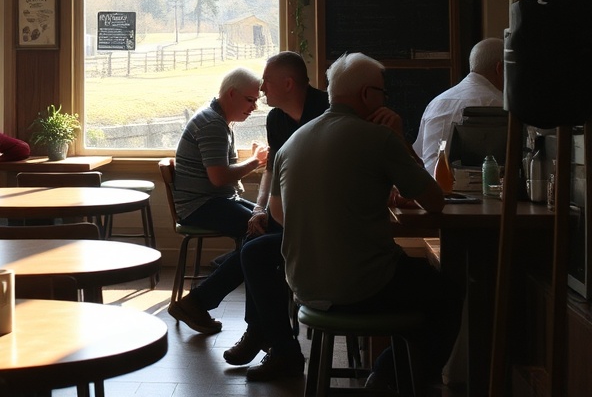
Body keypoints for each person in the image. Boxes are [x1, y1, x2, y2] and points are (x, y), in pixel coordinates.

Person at [271, 52, 462, 389]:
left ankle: (391, 373)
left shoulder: (291, 143)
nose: (384, 100)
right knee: (447, 290)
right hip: (361, 288)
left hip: (303, 285)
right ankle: (390, 377)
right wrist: (400, 140)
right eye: (382, 93)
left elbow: (277, 212)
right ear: (366, 94)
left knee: (412, 281)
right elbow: (435, 200)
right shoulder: (379, 138)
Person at [169, 52, 328, 382]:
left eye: (264, 87)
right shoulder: (254, 121)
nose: (260, 98)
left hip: (315, 217)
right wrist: (260, 208)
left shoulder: (327, 112)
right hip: (205, 204)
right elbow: (249, 173)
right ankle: (253, 327)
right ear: (231, 94)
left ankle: (242, 321)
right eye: (251, 97)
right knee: (254, 241)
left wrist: (262, 209)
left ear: (288, 84)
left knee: (254, 246)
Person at [172, 67, 268, 241]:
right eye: (250, 100)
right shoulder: (213, 124)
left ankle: (234, 258)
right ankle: (230, 261)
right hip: (200, 206)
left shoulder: (216, 117)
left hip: (212, 201)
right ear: (231, 94)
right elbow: (219, 178)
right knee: (261, 227)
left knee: (265, 219)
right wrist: (255, 161)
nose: (254, 107)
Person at [414, 37, 504, 174]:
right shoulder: (498, 106)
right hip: (477, 186)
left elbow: (420, 155)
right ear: (500, 68)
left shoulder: (436, 103)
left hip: (429, 185)